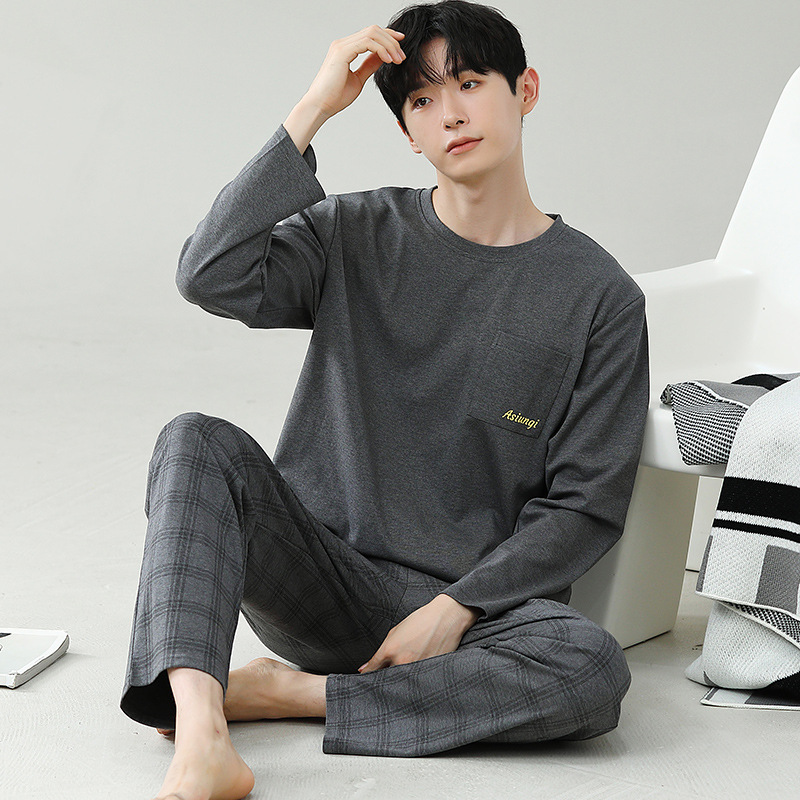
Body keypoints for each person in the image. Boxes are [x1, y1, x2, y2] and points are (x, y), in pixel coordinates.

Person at [121, 1, 649, 798]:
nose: (450, 115)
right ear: (408, 133)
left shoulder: (601, 297)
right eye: (422, 101)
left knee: (591, 669)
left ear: (526, 90)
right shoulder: (354, 231)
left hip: (471, 618)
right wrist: (313, 109)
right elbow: (210, 274)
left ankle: (290, 695)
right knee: (193, 439)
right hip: (320, 579)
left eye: (469, 83)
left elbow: (584, 506)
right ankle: (202, 734)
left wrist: (459, 605)